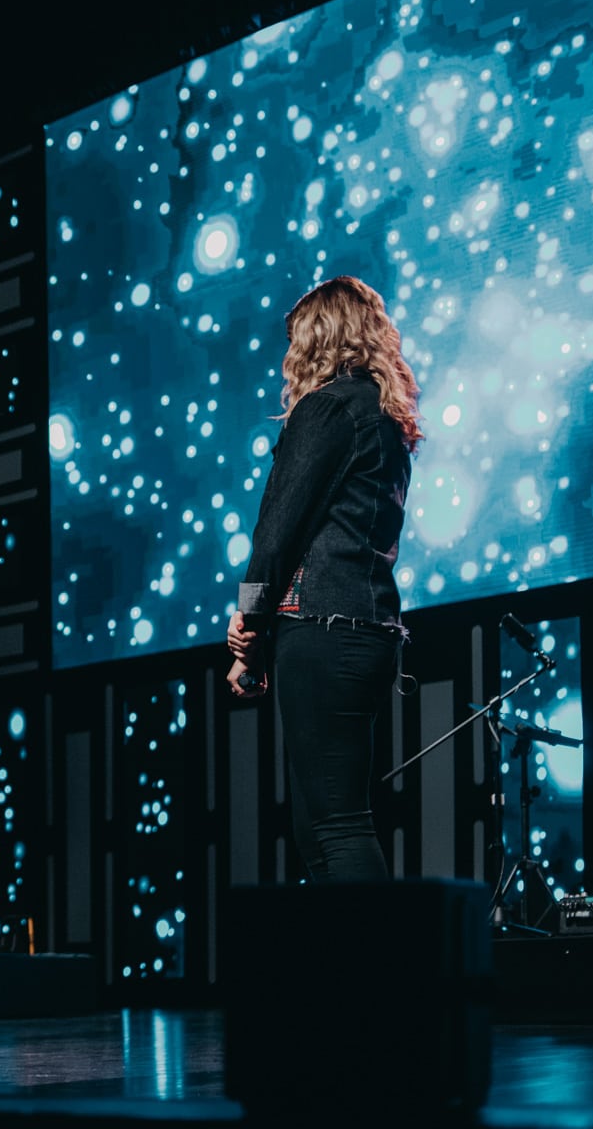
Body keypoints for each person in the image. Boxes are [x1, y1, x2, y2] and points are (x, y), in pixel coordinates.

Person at [227, 275, 422, 882]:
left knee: (335, 825)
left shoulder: (327, 408)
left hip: (323, 627)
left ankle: (377, 975)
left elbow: (278, 529)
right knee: (320, 826)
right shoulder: (385, 418)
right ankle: (349, 968)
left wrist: (248, 625)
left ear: (319, 337)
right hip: (366, 629)